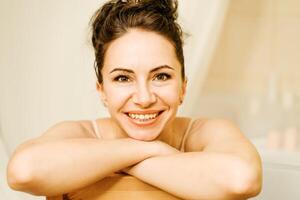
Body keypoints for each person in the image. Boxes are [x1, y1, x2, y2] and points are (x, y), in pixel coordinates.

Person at [7, 0, 262, 199]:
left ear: (183, 87)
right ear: (102, 91)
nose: (144, 98)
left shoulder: (205, 133)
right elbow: (23, 172)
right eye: (122, 78)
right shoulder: (81, 133)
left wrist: (127, 161)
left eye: (161, 76)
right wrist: (150, 149)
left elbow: (242, 179)